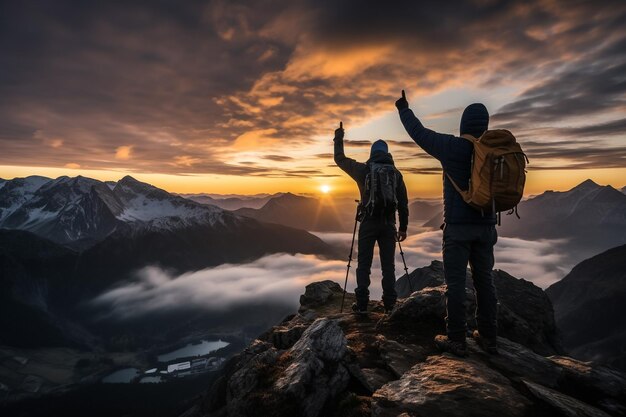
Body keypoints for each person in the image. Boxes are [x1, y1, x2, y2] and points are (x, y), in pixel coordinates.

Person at [395, 90, 498, 356]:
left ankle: (456, 340)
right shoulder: (494, 152)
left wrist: (404, 109)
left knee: (455, 285)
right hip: (486, 228)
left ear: (464, 124)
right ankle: (489, 337)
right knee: (485, 281)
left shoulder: (452, 147)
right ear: (485, 126)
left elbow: (419, 133)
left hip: (458, 230)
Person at [333, 121, 409, 314]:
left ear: (372, 153)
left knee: (363, 265)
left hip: (368, 223)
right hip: (388, 225)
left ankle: (362, 304)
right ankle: (390, 304)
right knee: (388, 266)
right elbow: (403, 203)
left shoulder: (363, 170)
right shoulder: (396, 175)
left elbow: (339, 159)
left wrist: (339, 137)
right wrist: (403, 228)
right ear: (387, 153)